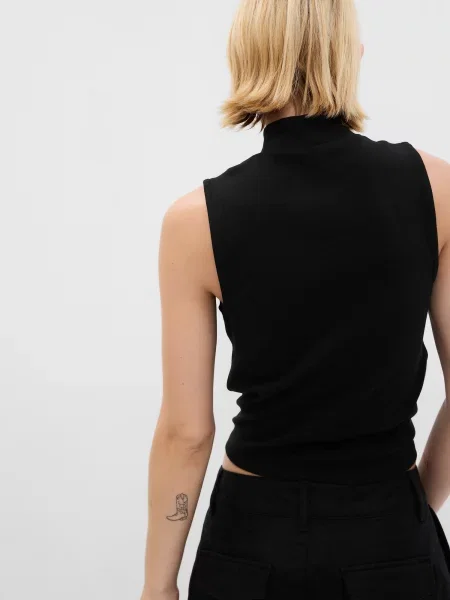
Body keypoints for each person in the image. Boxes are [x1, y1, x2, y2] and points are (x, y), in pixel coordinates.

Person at [140, 0, 450, 598]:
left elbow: (186, 433)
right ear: (350, 54)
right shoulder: (436, 188)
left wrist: (158, 586)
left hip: (251, 540)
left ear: (245, 56)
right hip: (388, 527)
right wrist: (413, 509)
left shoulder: (194, 221)